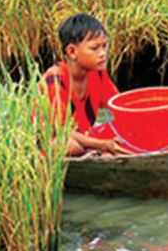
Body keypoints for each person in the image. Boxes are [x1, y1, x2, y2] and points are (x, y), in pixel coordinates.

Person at [43, 13, 133, 157]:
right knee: (71, 146)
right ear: (72, 52)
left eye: (104, 46)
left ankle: (95, 154)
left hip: (85, 139)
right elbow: (62, 131)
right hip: (53, 142)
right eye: (94, 48)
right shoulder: (55, 79)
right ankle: (94, 153)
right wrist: (103, 145)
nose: (102, 53)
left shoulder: (98, 74)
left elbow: (121, 108)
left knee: (122, 136)